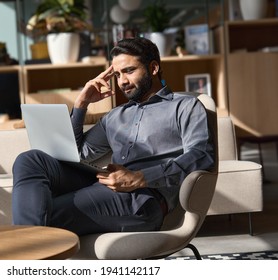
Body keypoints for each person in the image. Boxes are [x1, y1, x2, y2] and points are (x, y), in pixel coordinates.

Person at [12, 37, 215, 236]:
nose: (122, 82)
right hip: (104, 183)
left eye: (129, 71)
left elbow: (201, 155)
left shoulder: (185, 106)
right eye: (117, 75)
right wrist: (81, 104)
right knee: (30, 160)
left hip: (144, 198)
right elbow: (77, 153)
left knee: (43, 213)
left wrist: (142, 177)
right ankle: (31, 246)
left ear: (153, 68)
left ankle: (27, 251)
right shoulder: (115, 116)